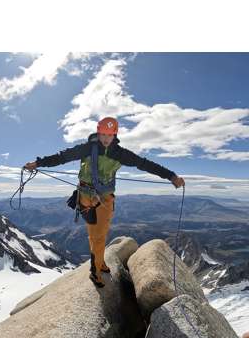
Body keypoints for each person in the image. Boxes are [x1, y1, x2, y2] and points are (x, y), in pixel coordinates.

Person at [24, 116, 185, 288]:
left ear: (115, 135)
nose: (106, 138)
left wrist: (171, 176)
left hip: (106, 198)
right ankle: (96, 271)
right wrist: (38, 163)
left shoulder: (120, 153)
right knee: (96, 234)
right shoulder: (87, 148)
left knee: (100, 233)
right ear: (98, 133)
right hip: (86, 197)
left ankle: (99, 263)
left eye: (109, 135)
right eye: (103, 134)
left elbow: (145, 164)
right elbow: (61, 157)